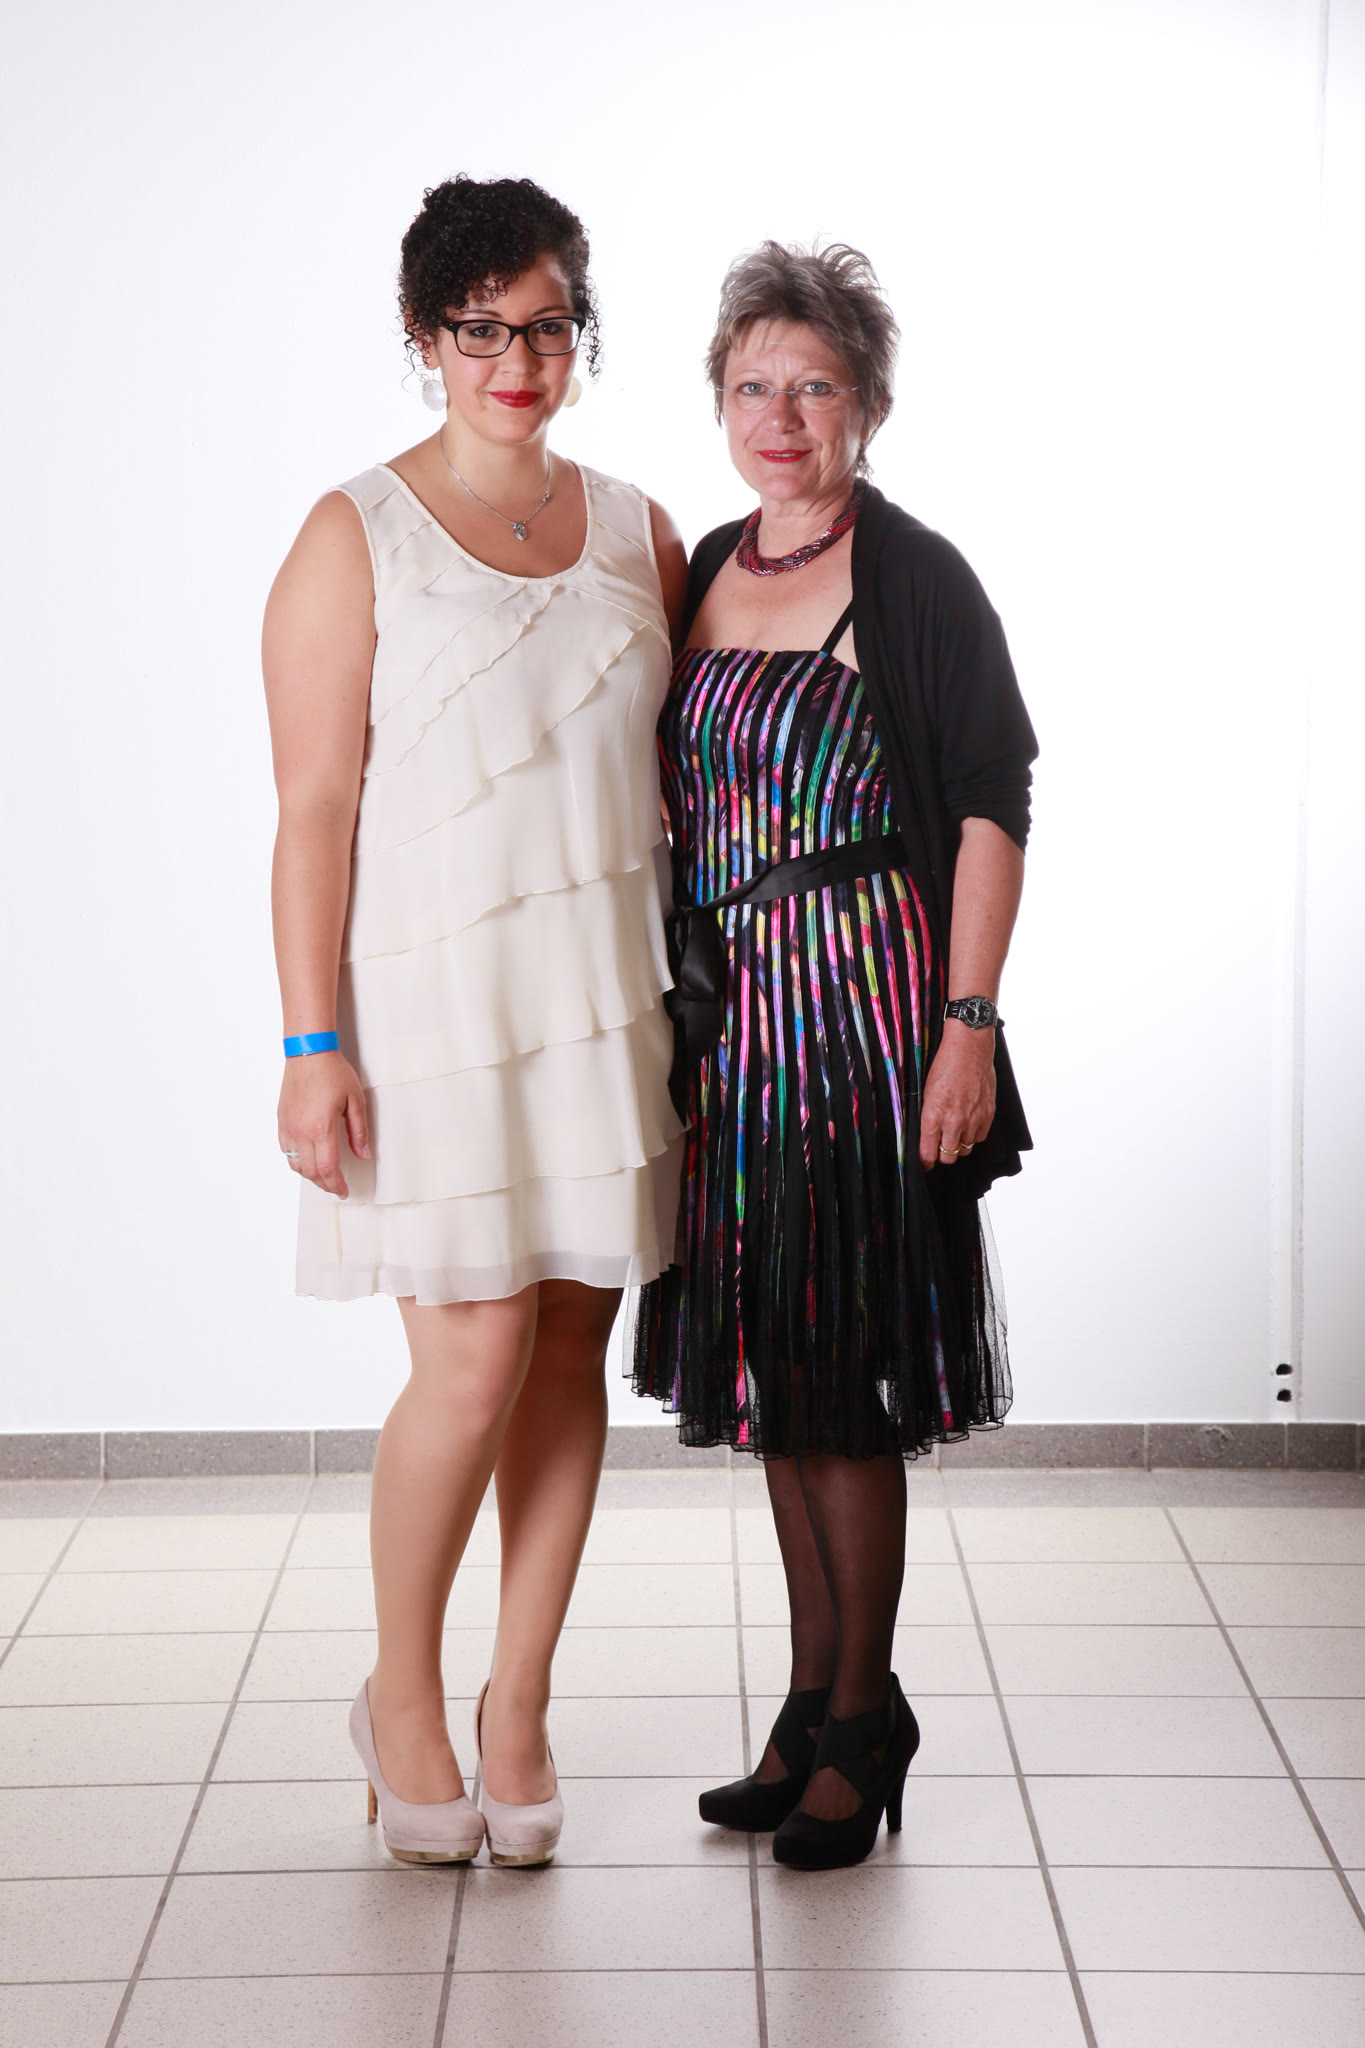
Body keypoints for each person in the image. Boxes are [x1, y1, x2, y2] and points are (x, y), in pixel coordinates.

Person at [263, 176, 685, 1867]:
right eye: (480, 329)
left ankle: (518, 1704)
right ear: (424, 337)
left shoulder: (640, 528)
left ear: (581, 333)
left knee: (571, 1348)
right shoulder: (350, 532)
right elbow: (312, 810)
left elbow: (685, 778)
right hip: (429, 1009)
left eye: (547, 327)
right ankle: (401, 1700)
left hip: (599, 1001)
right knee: (470, 1359)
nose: (517, 362)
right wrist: (310, 1045)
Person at [633, 242, 1037, 1870]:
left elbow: (991, 802)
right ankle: (812, 1706)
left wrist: (966, 1027)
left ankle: (865, 1722)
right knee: (774, 1381)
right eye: (751, 386)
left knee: (845, 1379)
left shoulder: (913, 574)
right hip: (736, 1036)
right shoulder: (702, 568)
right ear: (719, 403)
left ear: (864, 403)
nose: (779, 416)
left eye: (812, 386)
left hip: (863, 1022)